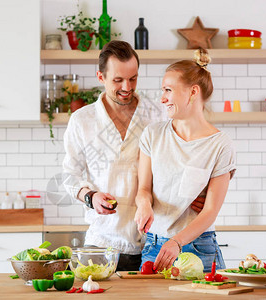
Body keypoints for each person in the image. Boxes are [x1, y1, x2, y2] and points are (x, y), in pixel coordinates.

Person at [62, 40, 205, 271]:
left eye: (133, 78)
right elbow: (69, 175)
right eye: (118, 80)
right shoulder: (81, 121)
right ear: (101, 77)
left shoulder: (158, 113)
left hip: (153, 242)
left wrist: (201, 189)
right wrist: (90, 196)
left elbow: (190, 151)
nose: (127, 87)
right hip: (102, 242)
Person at [134, 48, 236, 273]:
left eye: (168, 90)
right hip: (155, 246)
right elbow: (143, 188)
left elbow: (210, 210)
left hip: (199, 247)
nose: (162, 98)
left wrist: (177, 241)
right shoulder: (153, 134)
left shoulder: (220, 145)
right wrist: (143, 205)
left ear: (192, 92)